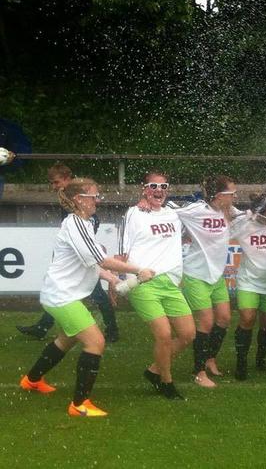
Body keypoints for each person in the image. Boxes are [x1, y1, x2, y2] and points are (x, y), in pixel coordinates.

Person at [19, 178, 154, 416]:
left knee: (66, 339)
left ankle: (31, 380)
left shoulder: (85, 223)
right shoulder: (76, 224)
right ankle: (79, 405)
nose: (97, 201)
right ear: (79, 200)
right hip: (61, 296)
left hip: (64, 294)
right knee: (96, 342)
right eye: (93, 197)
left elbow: (89, 262)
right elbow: (101, 259)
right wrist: (137, 269)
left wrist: (110, 278)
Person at [17, 163, 120, 342]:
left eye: (56, 182)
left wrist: (88, 248)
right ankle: (43, 327)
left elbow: (91, 224)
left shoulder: (78, 199)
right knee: (64, 294)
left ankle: (112, 330)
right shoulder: (66, 199)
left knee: (93, 295)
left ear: (67, 179)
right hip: (79, 256)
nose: (54, 186)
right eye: (52, 183)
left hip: (83, 259)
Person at [118, 171, 196, 400]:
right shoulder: (133, 214)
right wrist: (116, 280)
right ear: (144, 189)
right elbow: (122, 252)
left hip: (170, 283)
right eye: (153, 186)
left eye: (163, 186)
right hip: (144, 282)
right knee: (164, 334)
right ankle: (166, 382)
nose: (158, 190)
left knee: (188, 334)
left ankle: (154, 371)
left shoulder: (174, 212)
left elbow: (201, 207)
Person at [165, 175, 239, 387]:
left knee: (224, 318)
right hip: (196, 274)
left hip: (216, 276)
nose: (235, 197)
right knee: (205, 322)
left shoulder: (229, 211)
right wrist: (146, 205)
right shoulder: (196, 210)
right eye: (231, 193)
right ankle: (198, 372)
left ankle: (210, 358)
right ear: (219, 195)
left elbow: (254, 217)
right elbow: (171, 209)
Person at [230, 194, 266, 380]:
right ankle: (241, 362)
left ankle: (261, 358)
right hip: (248, 281)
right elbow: (219, 233)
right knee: (247, 318)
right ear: (257, 214)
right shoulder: (244, 224)